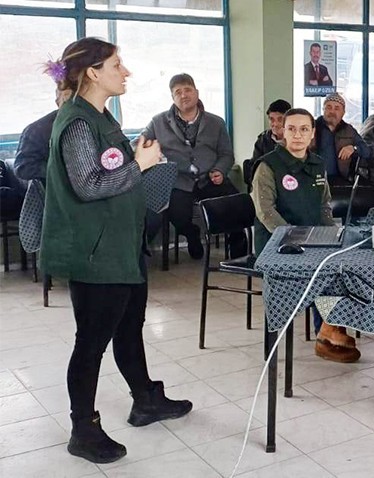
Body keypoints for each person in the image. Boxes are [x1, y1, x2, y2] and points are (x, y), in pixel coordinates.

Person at [39, 37, 192, 464]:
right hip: (95, 253)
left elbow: (111, 170)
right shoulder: (76, 122)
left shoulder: (100, 116)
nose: (124, 72)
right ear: (93, 72)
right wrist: (139, 166)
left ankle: (145, 399)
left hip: (122, 247)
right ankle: (82, 430)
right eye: (116, 64)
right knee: (90, 343)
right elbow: (89, 186)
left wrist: (136, 158)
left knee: (128, 328)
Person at [250, 108, 360, 363]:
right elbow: (265, 212)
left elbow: (324, 205)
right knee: (319, 272)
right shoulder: (268, 166)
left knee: (338, 265)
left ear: (312, 133)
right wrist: (294, 237)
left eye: (304, 129)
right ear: (282, 132)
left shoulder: (317, 163)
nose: (297, 135)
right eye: (291, 129)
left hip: (312, 239)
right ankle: (328, 331)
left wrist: (331, 235)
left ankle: (328, 329)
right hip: (277, 244)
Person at [141, 73, 246, 260]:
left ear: (196, 92)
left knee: (234, 205)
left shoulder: (216, 122)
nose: (183, 95)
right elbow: (139, 144)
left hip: (210, 178)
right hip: (179, 180)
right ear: (172, 98)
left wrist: (220, 171)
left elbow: (227, 154)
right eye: (177, 92)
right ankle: (191, 234)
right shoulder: (158, 122)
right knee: (177, 214)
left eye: (187, 90)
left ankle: (239, 252)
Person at [312, 93, 371, 185]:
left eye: (337, 108)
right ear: (323, 109)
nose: (332, 111)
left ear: (343, 112)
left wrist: (353, 148)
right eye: (329, 107)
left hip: (341, 179)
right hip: (313, 178)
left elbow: (367, 151)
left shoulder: (349, 130)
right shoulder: (312, 127)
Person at [14, 87, 72, 181]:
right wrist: (62, 171)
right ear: (58, 101)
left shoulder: (98, 123)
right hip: (49, 192)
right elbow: (23, 168)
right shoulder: (37, 130)